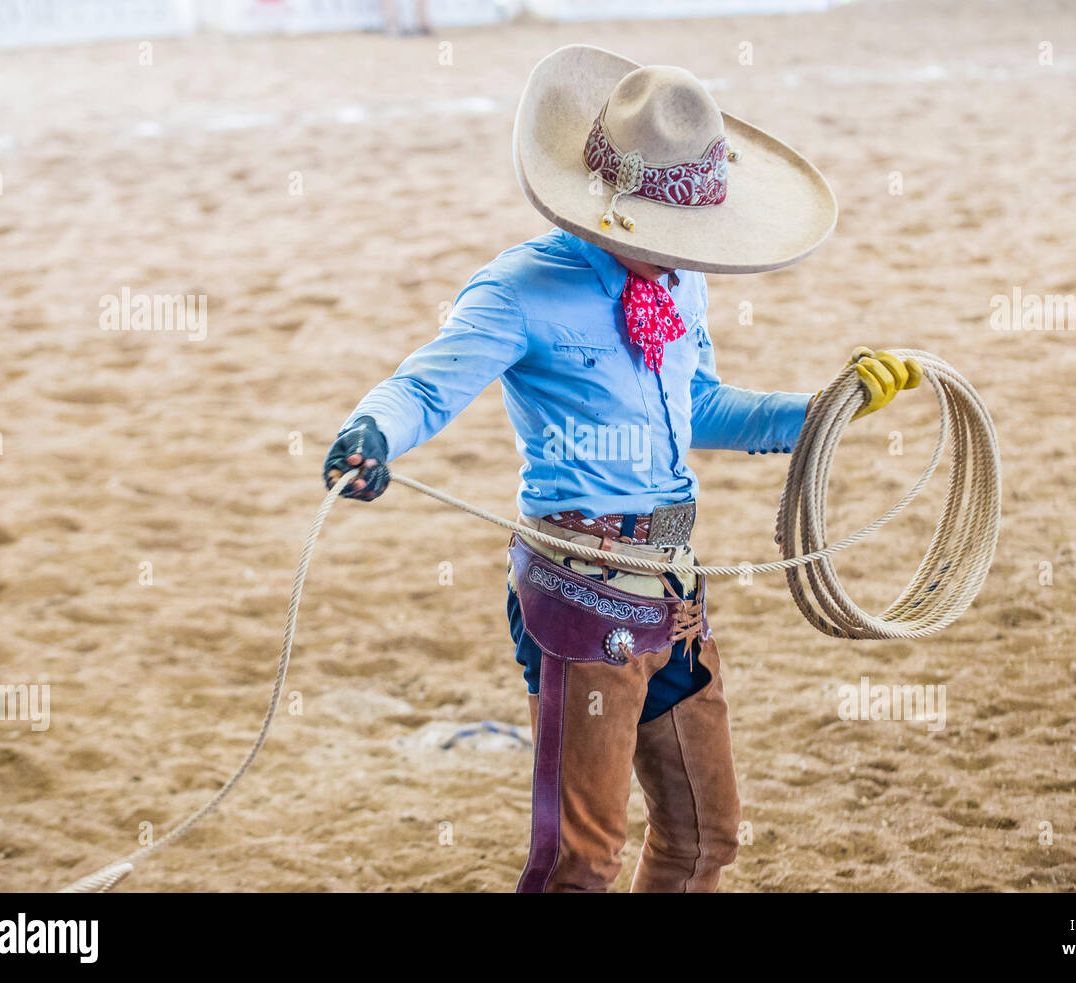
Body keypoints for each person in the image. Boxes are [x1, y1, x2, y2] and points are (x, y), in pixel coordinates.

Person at [323, 44, 921, 893]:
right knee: (581, 860)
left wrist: (827, 410)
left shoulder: (682, 287)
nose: (691, 253)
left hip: (672, 584)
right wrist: (371, 432)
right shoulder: (520, 290)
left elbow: (699, 406)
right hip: (579, 592)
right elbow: (425, 384)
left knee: (706, 839)